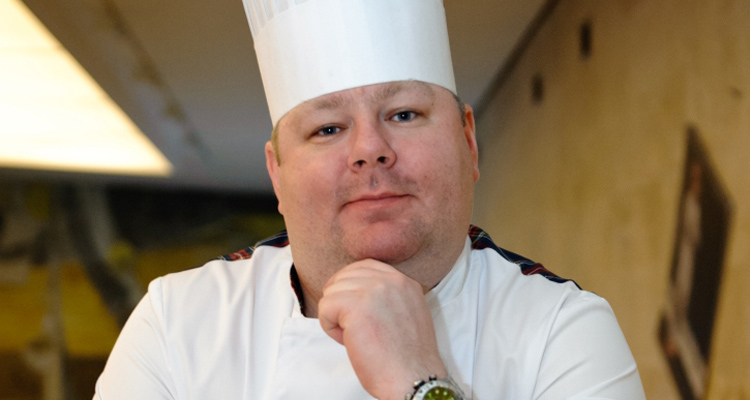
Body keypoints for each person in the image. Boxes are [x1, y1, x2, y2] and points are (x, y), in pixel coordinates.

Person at [94, 0, 646, 399]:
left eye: (404, 114)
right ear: (277, 175)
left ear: (468, 142)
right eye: (328, 129)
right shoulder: (178, 322)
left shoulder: (562, 331)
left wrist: (421, 384)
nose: (369, 150)